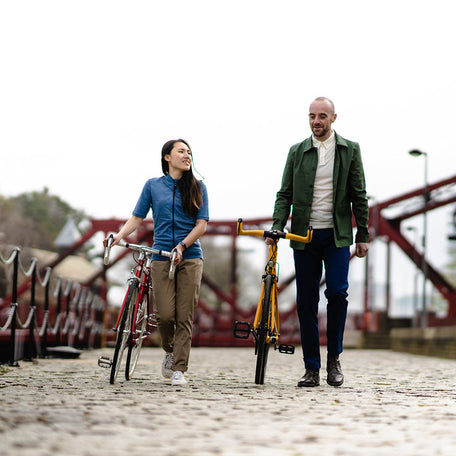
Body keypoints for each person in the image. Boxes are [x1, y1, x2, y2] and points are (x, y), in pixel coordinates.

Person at [266, 97, 369, 387]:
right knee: (306, 301)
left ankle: (334, 360)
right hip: (304, 236)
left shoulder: (350, 150)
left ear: (333, 118)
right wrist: (277, 226)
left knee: (337, 293)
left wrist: (363, 235)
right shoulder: (297, 151)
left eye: (322, 116)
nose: (316, 121)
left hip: (336, 236)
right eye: (312, 116)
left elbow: (359, 194)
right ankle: (311, 367)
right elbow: (284, 194)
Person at [105, 139, 209, 386]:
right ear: (167, 157)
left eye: (189, 152)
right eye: (181, 151)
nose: (187, 155)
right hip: (161, 256)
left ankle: (179, 369)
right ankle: (170, 350)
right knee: (164, 315)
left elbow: (201, 224)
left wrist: (182, 246)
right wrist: (119, 236)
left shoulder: (198, 187)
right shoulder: (152, 186)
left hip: (190, 257)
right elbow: (137, 217)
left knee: (184, 315)